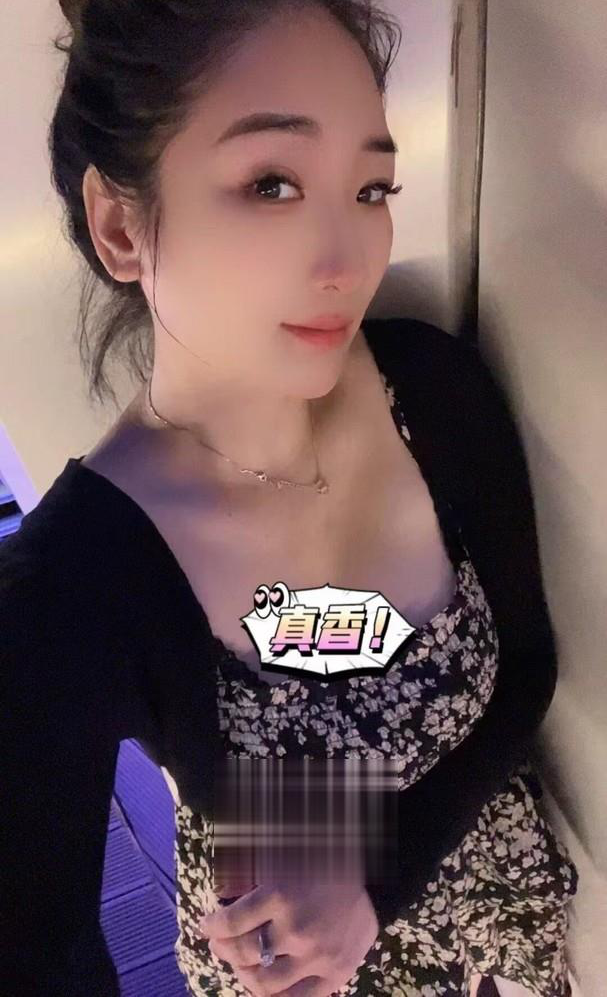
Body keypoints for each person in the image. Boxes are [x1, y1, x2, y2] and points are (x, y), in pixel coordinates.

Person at [2, 1, 578, 995]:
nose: (345, 260)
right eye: (270, 184)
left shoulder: (431, 390)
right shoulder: (73, 584)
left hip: (507, 925)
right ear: (122, 225)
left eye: (369, 187)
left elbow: (524, 670)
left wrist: (372, 881)